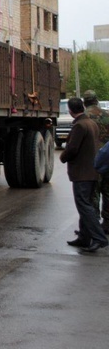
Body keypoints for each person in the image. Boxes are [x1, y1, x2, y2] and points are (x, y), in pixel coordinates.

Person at [60, 97, 108, 252]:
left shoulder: (80, 125)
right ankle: (84, 238)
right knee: (85, 204)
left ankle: (99, 238)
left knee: (84, 205)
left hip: (82, 173)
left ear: (71, 110)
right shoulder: (91, 123)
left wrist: (62, 157)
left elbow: (72, 149)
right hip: (92, 171)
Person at [83, 90, 109, 232]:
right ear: (96, 100)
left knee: (93, 192)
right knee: (107, 190)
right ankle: (108, 222)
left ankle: (93, 224)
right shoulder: (106, 115)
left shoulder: (84, 117)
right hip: (108, 158)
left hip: (92, 159)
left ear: (85, 102)